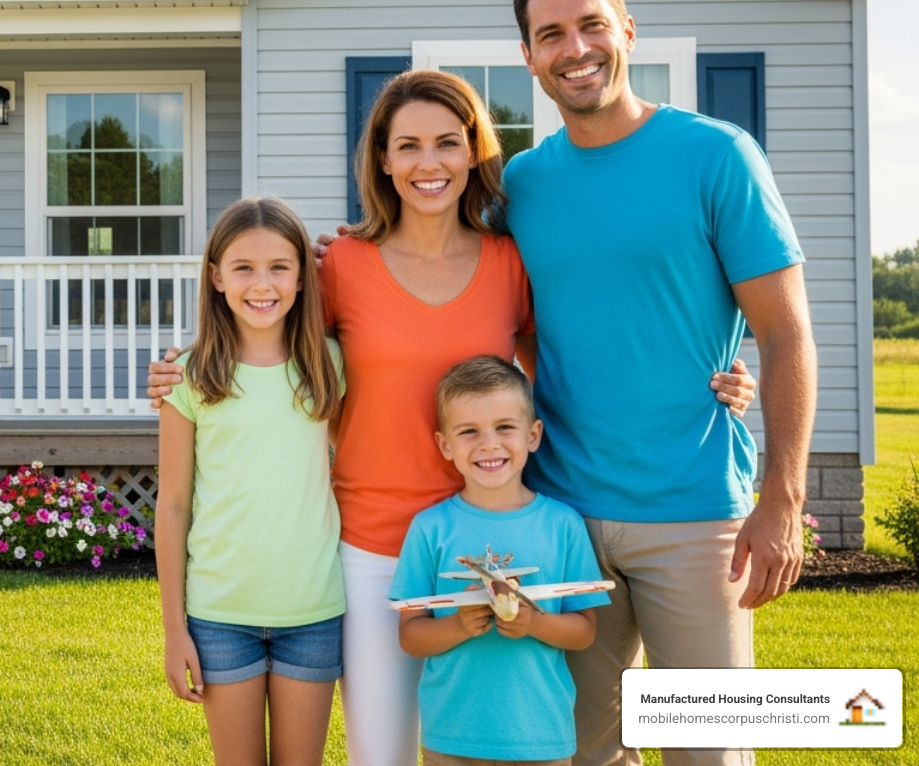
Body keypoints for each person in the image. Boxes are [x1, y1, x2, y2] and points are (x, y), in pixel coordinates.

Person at [147, 70, 758, 766]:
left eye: (447, 142)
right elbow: (268, 344)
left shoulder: (509, 260)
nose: (427, 162)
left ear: (474, 151)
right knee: (381, 756)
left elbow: (570, 356)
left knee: (497, 745)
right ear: (382, 159)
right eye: (406, 146)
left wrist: (717, 378)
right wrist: (182, 369)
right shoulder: (341, 264)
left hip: (487, 543)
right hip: (369, 547)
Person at [502, 0, 816, 766]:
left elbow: (785, 334)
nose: (576, 49)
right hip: (564, 514)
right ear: (528, 56)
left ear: (628, 32)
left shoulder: (716, 155)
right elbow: (507, 315)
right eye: (552, 34)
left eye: (592, 26)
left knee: (706, 751)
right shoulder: (524, 186)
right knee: (579, 753)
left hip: (695, 512)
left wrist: (780, 498)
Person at [156, 196, 347, 766]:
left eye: (279, 267)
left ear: (302, 277)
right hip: (219, 616)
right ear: (215, 277)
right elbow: (171, 506)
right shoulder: (187, 378)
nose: (261, 284)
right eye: (243, 268)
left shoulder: (330, 365)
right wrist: (173, 630)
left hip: (312, 610)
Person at [393, 355, 609, 766]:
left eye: (505, 428)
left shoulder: (563, 525)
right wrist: (458, 624)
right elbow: (410, 635)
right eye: (469, 432)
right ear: (445, 445)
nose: (489, 444)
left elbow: (584, 632)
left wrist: (535, 623)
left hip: (540, 735)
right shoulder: (430, 528)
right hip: (452, 735)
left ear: (533, 434)